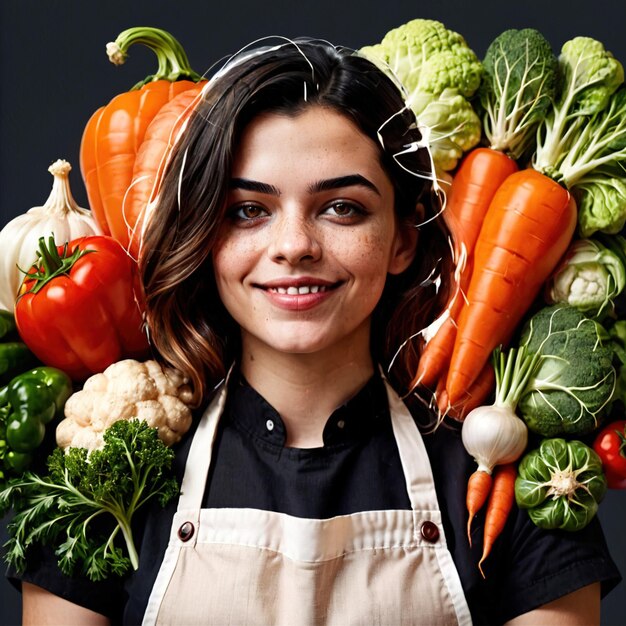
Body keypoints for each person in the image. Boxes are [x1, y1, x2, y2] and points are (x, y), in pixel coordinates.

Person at [11, 38, 621, 625]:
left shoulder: (503, 477)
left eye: (341, 207)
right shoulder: (110, 470)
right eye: (249, 210)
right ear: (206, 235)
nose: (294, 246)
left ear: (404, 238)